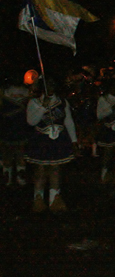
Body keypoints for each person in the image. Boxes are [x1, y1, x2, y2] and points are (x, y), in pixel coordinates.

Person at [24, 77, 78, 213]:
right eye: (47, 84)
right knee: (40, 170)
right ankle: (38, 199)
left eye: (53, 84)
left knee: (56, 169)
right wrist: (43, 107)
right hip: (41, 139)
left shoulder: (62, 102)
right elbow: (31, 121)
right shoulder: (34, 102)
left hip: (58, 139)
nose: (50, 87)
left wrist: (74, 140)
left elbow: (68, 121)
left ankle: (54, 200)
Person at [1, 77, 30, 186]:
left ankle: (20, 177)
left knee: (20, 153)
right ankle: (7, 177)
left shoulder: (27, 92)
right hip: (7, 127)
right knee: (7, 153)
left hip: (21, 127)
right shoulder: (5, 91)